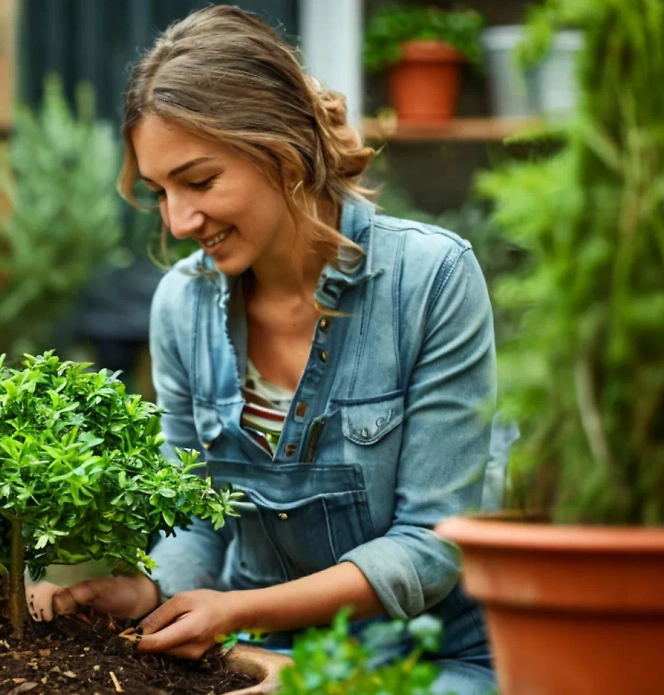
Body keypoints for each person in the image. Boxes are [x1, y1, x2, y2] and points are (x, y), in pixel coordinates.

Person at [28, 6, 500, 694]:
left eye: (199, 180)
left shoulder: (431, 281)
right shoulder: (181, 307)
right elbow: (196, 515)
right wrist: (152, 589)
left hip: (424, 662)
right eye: (161, 192)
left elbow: (433, 543)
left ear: (281, 148)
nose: (179, 221)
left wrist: (236, 609)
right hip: (254, 659)